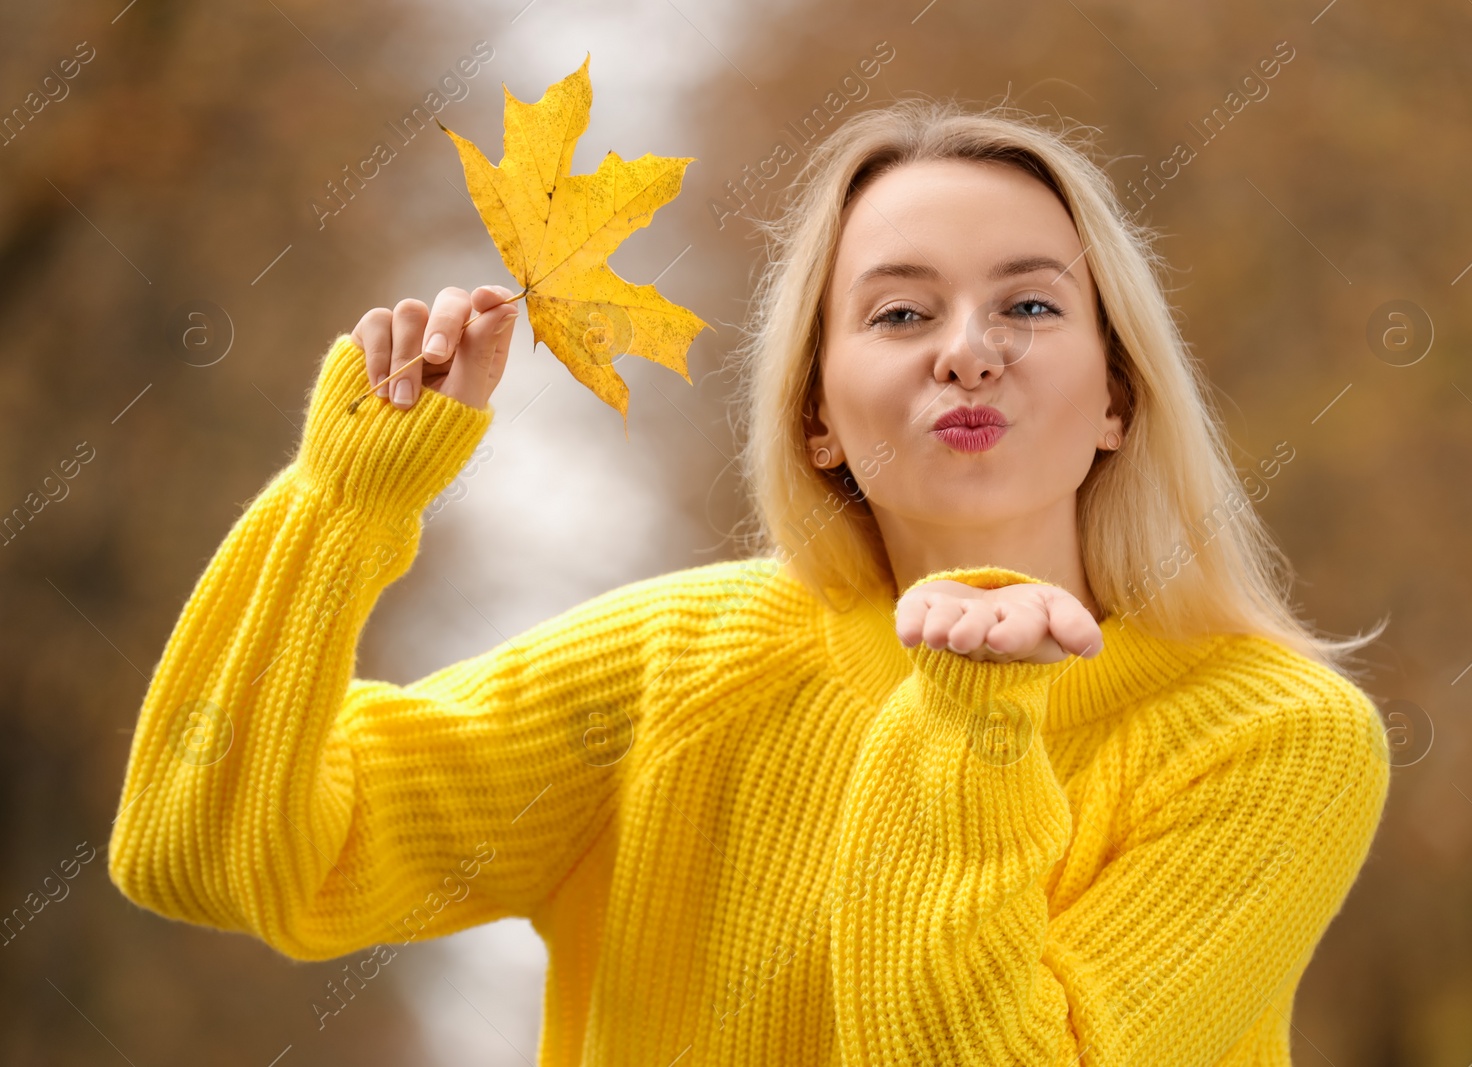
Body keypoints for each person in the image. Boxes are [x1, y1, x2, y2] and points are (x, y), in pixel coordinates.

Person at [108, 97, 1391, 1065]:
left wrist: (971, 726)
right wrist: (346, 501)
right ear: (815, 416)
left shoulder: (1272, 735)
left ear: (1116, 393)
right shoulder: (681, 665)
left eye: (1034, 307)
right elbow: (207, 851)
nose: (968, 352)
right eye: (898, 313)